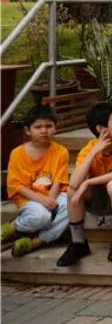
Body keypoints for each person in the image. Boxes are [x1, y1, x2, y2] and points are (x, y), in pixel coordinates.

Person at [56, 103, 112, 266]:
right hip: (100, 200)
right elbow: (73, 183)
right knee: (73, 191)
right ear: (101, 129)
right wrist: (94, 152)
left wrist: (88, 182)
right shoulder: (89, 148)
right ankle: (78, 243)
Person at [3, 106, 70, 258]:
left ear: (55, 128)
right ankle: (13, 227)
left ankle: (36, 242)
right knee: (41, 217)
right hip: (28, 198)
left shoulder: (61, 152)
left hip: (53, 195)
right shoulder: (17, 153)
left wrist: (50, 200)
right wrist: (43, 200)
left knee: (71, 205)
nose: (44, 131)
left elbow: (58, 181)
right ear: (28, 131)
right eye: (38, 127)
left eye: (48, 126)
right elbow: (16, 185)